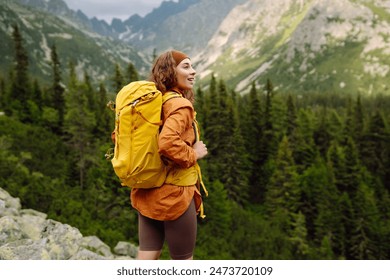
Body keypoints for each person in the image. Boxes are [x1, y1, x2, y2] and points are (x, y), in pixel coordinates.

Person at [131, 50, 208, 260]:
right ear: (169, 72)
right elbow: (167, 143)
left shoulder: (153, 102)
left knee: (147, 255)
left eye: (192, 66)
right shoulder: (180, 105)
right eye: (186, 67)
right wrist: (194, 153)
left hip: (148, 189)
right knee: (183, 261)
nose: (193, 72)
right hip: (175, 195)